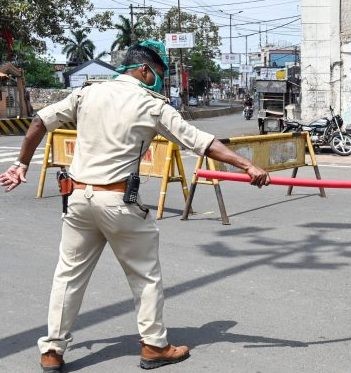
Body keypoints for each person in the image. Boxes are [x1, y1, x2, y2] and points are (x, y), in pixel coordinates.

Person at [0, 41, 270, 372]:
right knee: (145, 276)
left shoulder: (88, 93)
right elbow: (202, 142)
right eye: (157, 74)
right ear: (143, 70)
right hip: (118, 203)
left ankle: (52, 351)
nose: (159, 80)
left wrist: (22, 164)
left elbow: (40, 121)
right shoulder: (150, 104)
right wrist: (247, 166)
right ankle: (155, 346)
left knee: (68, 276)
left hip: (78, 199)